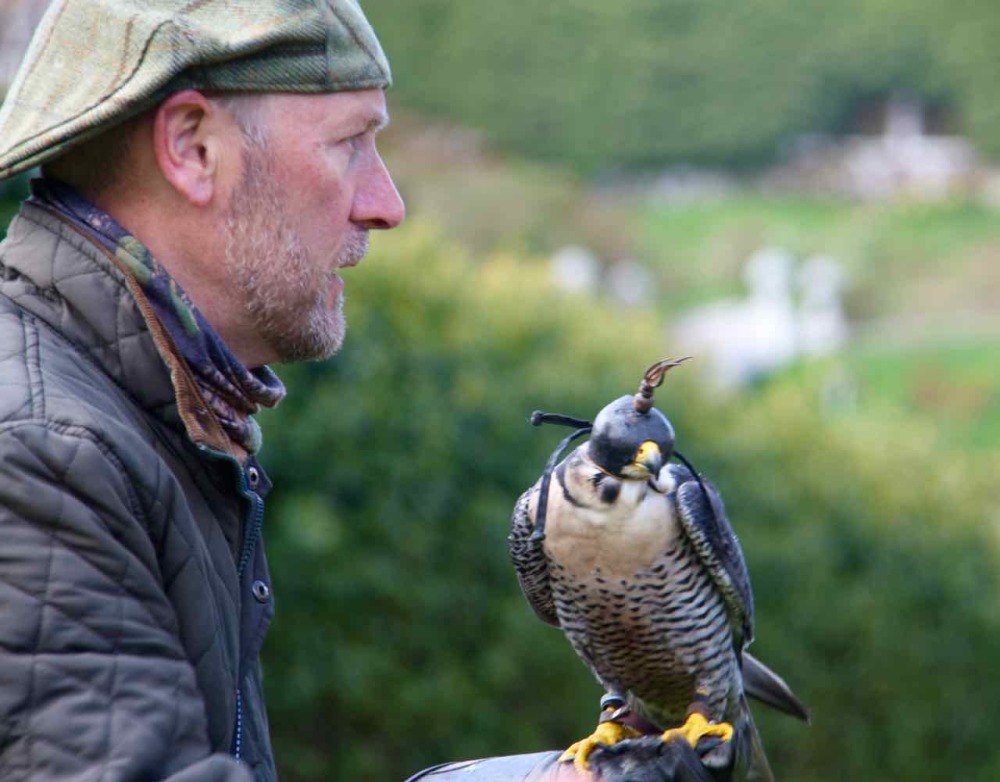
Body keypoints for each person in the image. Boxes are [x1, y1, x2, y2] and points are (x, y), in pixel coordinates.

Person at [0, 2, 724, 780]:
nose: (387, 204)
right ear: (192, 148)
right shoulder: (38, 453)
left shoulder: (149, 408)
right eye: (349, 144)